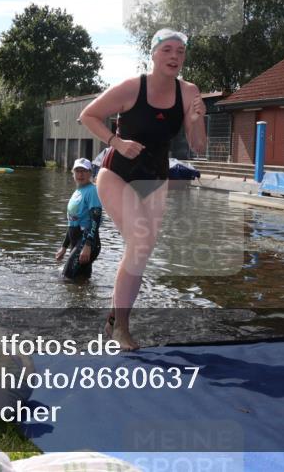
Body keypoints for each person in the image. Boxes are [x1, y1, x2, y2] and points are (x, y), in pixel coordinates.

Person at [79, 28, 206, 350]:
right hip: (116, 173)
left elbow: (198, 146)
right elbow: (88, 115)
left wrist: (196, 119)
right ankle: (121, 328)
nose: (174, 56)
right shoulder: (132, 87)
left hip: (155, 178)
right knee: (141, 238)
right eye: (166, 50)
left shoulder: (190, 92)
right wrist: (116, 142)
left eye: (180, 51)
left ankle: (114, 318)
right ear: (153, 54)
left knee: (141, 250)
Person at [55, 158, 103, 280]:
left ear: (90, 173)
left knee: (66, 278)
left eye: (84, 171)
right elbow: (72, 222)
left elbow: (95, 219)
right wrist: (64, 246)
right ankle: (86, 298)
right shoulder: (78, 191)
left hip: (87, 242)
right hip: (77, 241)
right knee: (82, 280)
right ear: (73, 173)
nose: (80, 174)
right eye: (78, 171)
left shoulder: (92, 191)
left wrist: (87, 245)